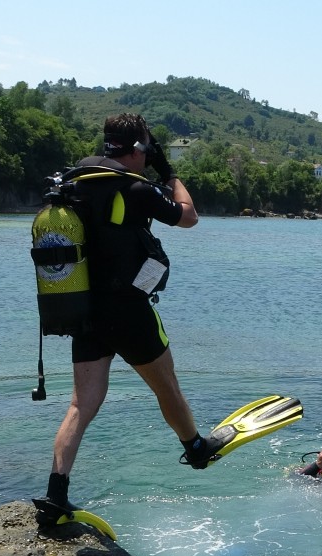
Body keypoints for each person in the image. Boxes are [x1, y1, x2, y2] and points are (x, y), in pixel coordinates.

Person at [36, 113, 220, 524]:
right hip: (129, 311)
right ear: (139, 149)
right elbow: (188, 216)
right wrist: (169, 173)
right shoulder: (136, 188)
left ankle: (55, 495)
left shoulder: (74, 184)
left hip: (85, 310)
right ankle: (195, 448)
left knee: (81, 404)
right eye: (148, 147)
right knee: (167, 386)